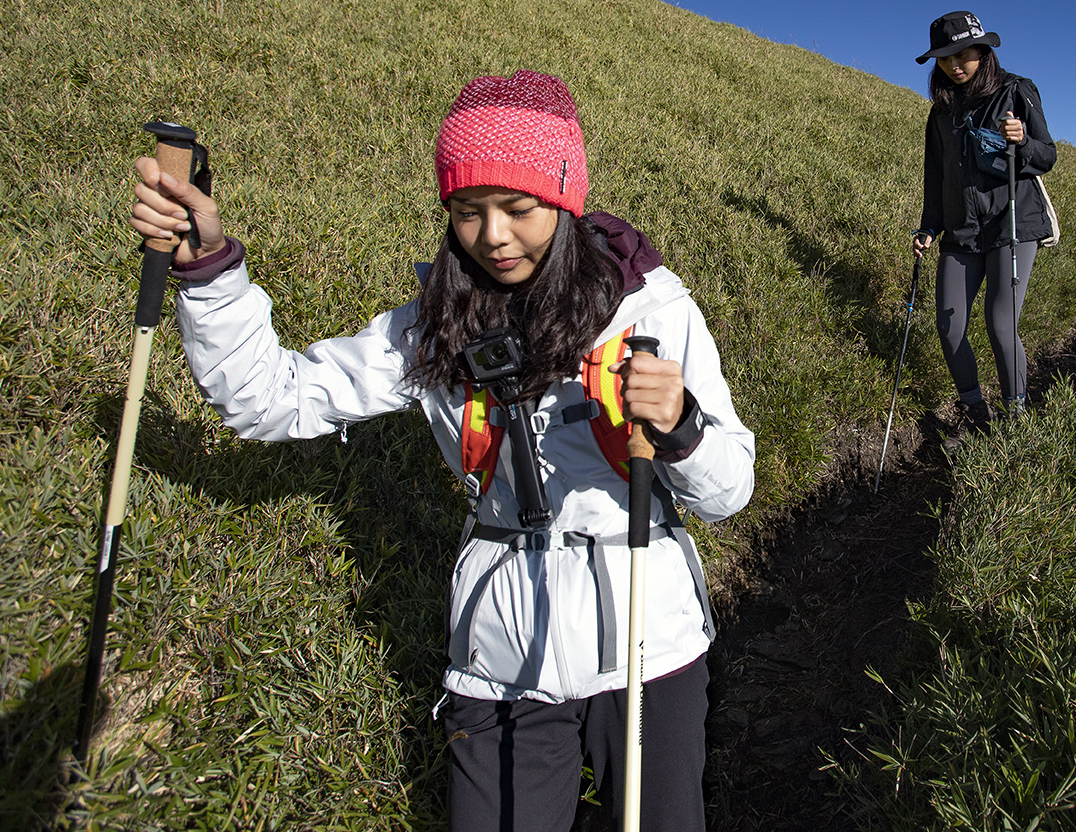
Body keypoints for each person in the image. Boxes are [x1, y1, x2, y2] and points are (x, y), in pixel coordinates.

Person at [129, 71, 755, 832]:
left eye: (519, 208)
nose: (493, 235)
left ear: (562, 198)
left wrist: (683, 423)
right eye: (467, 210)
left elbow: (727, 491)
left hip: (650, 641)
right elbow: (270, 397)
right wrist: (211, 264)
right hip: (500, 650)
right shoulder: (433, 327)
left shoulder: (650, 310)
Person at [911, 11, 1057, 437]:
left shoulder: (1016, 91)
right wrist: (927, 228)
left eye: (961, 55)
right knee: (948, 324)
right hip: (961, 230)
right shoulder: (940, 112)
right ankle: (977, 416)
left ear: (982, 50)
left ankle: (1016, 420)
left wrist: (1022, 141)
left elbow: (1046, 155)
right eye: (943, 59)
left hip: (1012, 225)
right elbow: (936, 177)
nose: (953, 66)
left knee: (1000, 322)